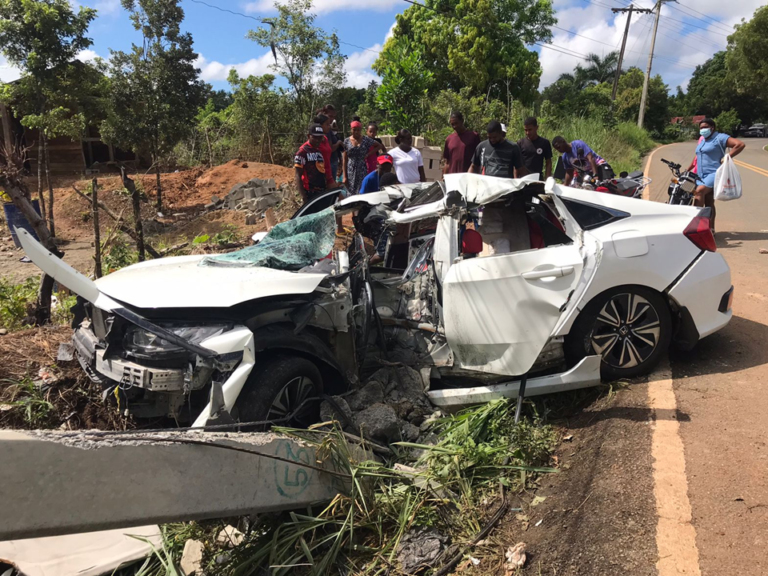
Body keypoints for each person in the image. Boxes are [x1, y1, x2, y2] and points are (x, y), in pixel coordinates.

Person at [685, 118, 745, 232]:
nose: (703, 130)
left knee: (699, 192)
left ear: (712, 128)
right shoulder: (703, 140)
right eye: (701, 128)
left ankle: (694, 227)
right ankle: (710, 229)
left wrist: (727, 157)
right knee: (708, 202)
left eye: (705, 127)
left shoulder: (720, 138)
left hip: (714, 173)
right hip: (700, 175)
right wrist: (689, 169)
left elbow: (740, 144)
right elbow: (698, 155)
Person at [294, 123, 336, 203]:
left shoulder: (318, 151)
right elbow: (298, 175)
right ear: (308, 136)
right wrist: (303, 197)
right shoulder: (302, 152)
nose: (317, 140)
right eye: (315, 137)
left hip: (321, 192)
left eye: (320, 138)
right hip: (310, 193)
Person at [344, 120, 385, 194]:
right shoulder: (346, 141)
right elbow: (344, 159)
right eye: (354, 130)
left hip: (362, 168)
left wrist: (368, 154)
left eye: (358, 130)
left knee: (362, 189)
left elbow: (379, 145)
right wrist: (344, 176)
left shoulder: (365, 140)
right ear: (351, 130)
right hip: (350, 169)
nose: (356, 132)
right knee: (351, 191)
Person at [319, 107, 343, 181]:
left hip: (332, 161)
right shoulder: (326, 131)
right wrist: (339, 143)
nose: (332, 119)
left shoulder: (329, 129)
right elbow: (331, 148)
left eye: (333, 116)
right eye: (330, 116)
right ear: (324, 114)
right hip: (330, 162)